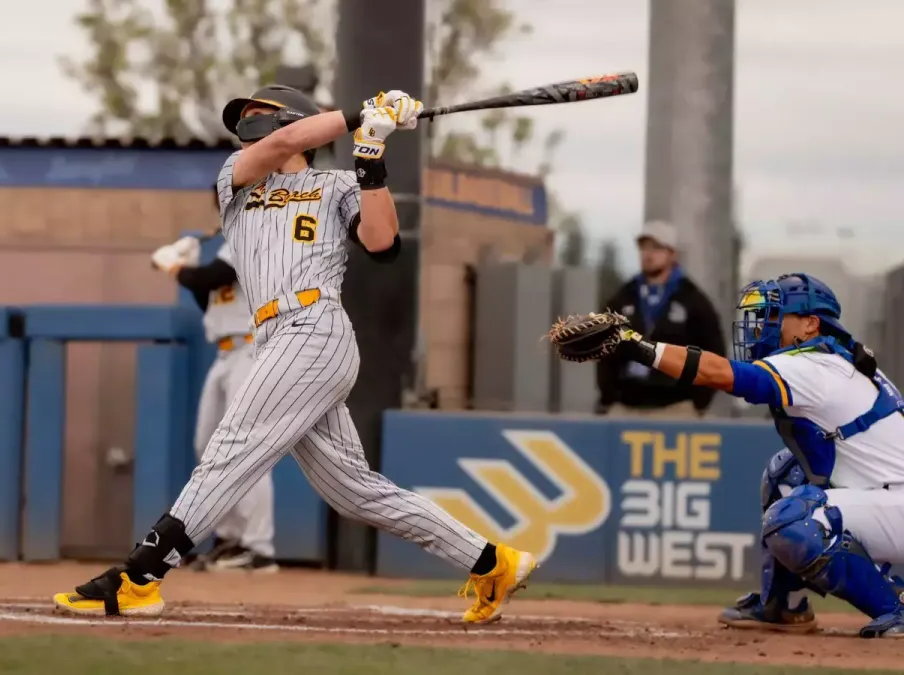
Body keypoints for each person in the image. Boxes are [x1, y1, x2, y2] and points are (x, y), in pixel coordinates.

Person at [53, 84, 536, 622]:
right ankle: (492, 562)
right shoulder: (237, 179)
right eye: (246, 116)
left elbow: (382, 243)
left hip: (314, 325)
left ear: (295, 115)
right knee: (354, 492)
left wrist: (372, 150)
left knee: (230, 449)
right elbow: (282, 143)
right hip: (275, 337)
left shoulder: (336, 184)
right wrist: (361, 113)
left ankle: (140, 576)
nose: (249, 121)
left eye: (260, 112)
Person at [580, 273, 904, 638]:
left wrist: (639, 347)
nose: (762, 326)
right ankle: (783, 605)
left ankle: (898, 607)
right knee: (786, 474)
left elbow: (720, 374)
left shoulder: (814, 365)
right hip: (885, 500)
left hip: (896, 506)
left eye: (775, 316)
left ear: (810, 324)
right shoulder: (825, 359)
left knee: (794, 519)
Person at [148, 197, 278, 574]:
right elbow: (209, 299)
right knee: (208, 446)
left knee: (247, 448)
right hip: (224, 354)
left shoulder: (254, 233)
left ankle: (259, 546)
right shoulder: (230, 239)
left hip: (251, 350)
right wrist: (186, 268)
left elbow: (213, 277)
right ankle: (229, 538)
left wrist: (176, 267)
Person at [596, 220, 726, 418]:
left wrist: (698, 402)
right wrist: (609, 395)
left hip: (675, 407)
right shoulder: (624, 297)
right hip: (626, 406)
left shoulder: (692, 300)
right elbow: (603, 347)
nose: (648, 254)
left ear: (672, 254)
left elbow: (714, 352)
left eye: (656, 248)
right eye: (644, 247)